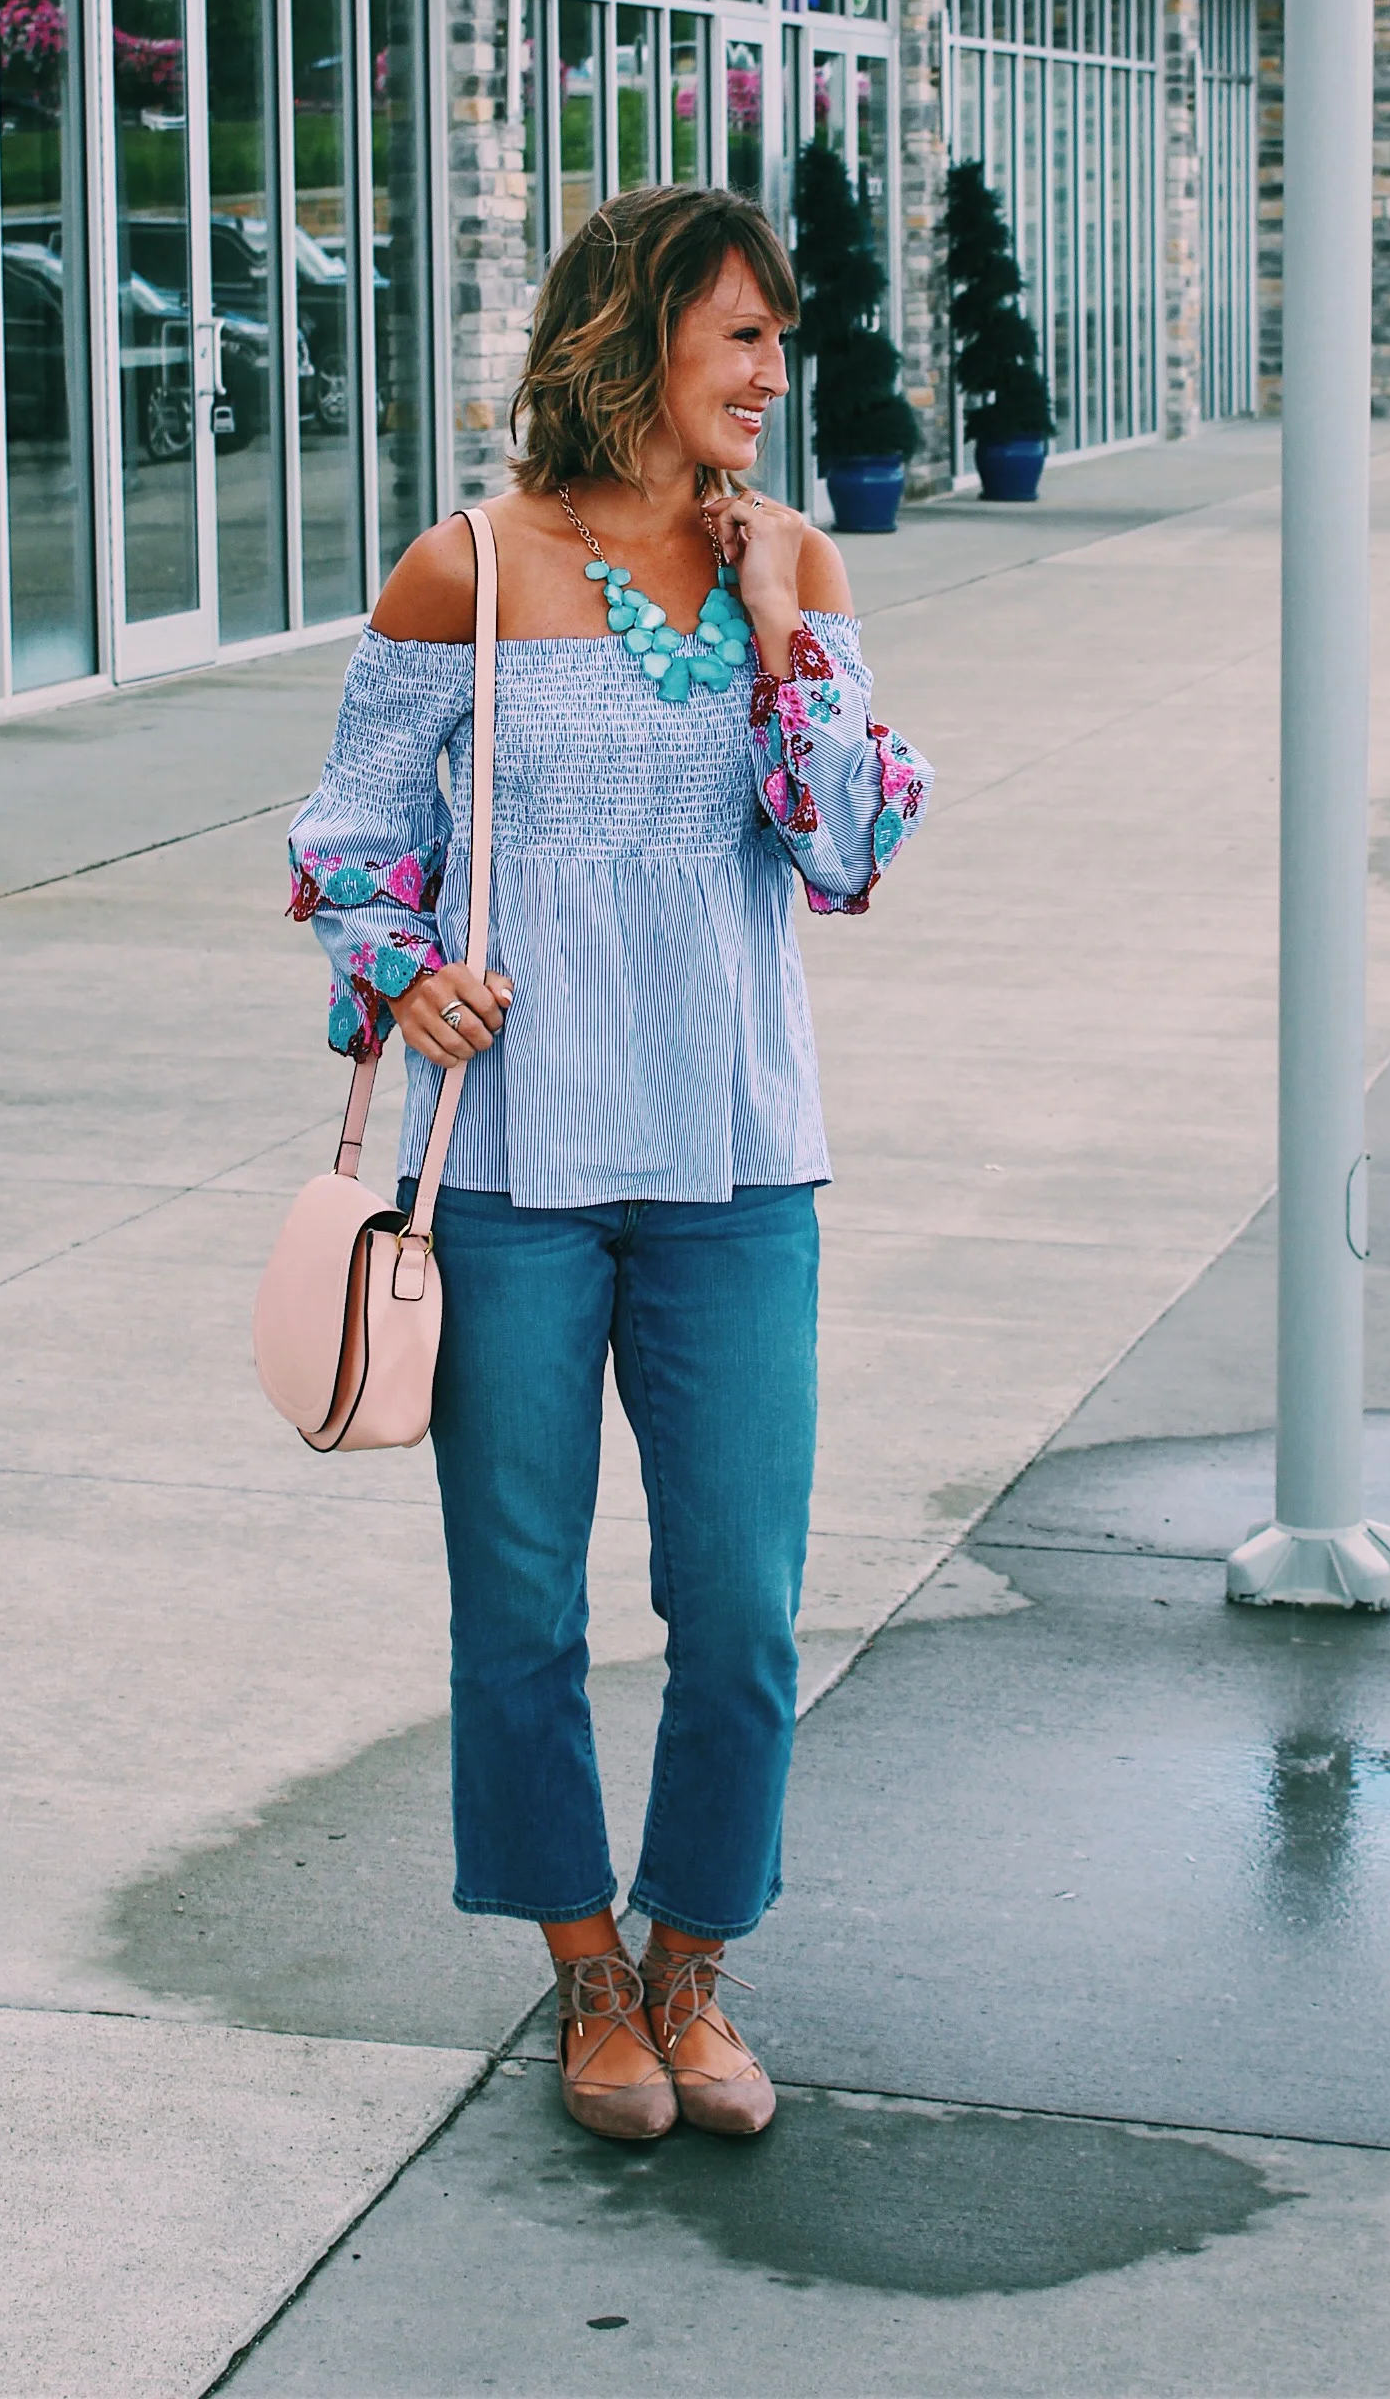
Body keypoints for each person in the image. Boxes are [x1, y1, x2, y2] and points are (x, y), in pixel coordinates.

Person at [287, 184, 930, 2143]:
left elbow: (845, 851)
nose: (771, 373)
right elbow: (343, 838)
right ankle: (583, 1979)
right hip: (513, 1179)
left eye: (778, 341)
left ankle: (693, 1967)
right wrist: (410, 970)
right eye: (740, 335)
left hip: (736, 1158)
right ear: (633, 338)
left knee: (738, 1604)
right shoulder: (462, 571)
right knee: (524, 1608)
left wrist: (772, 626)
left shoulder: (793, 559)